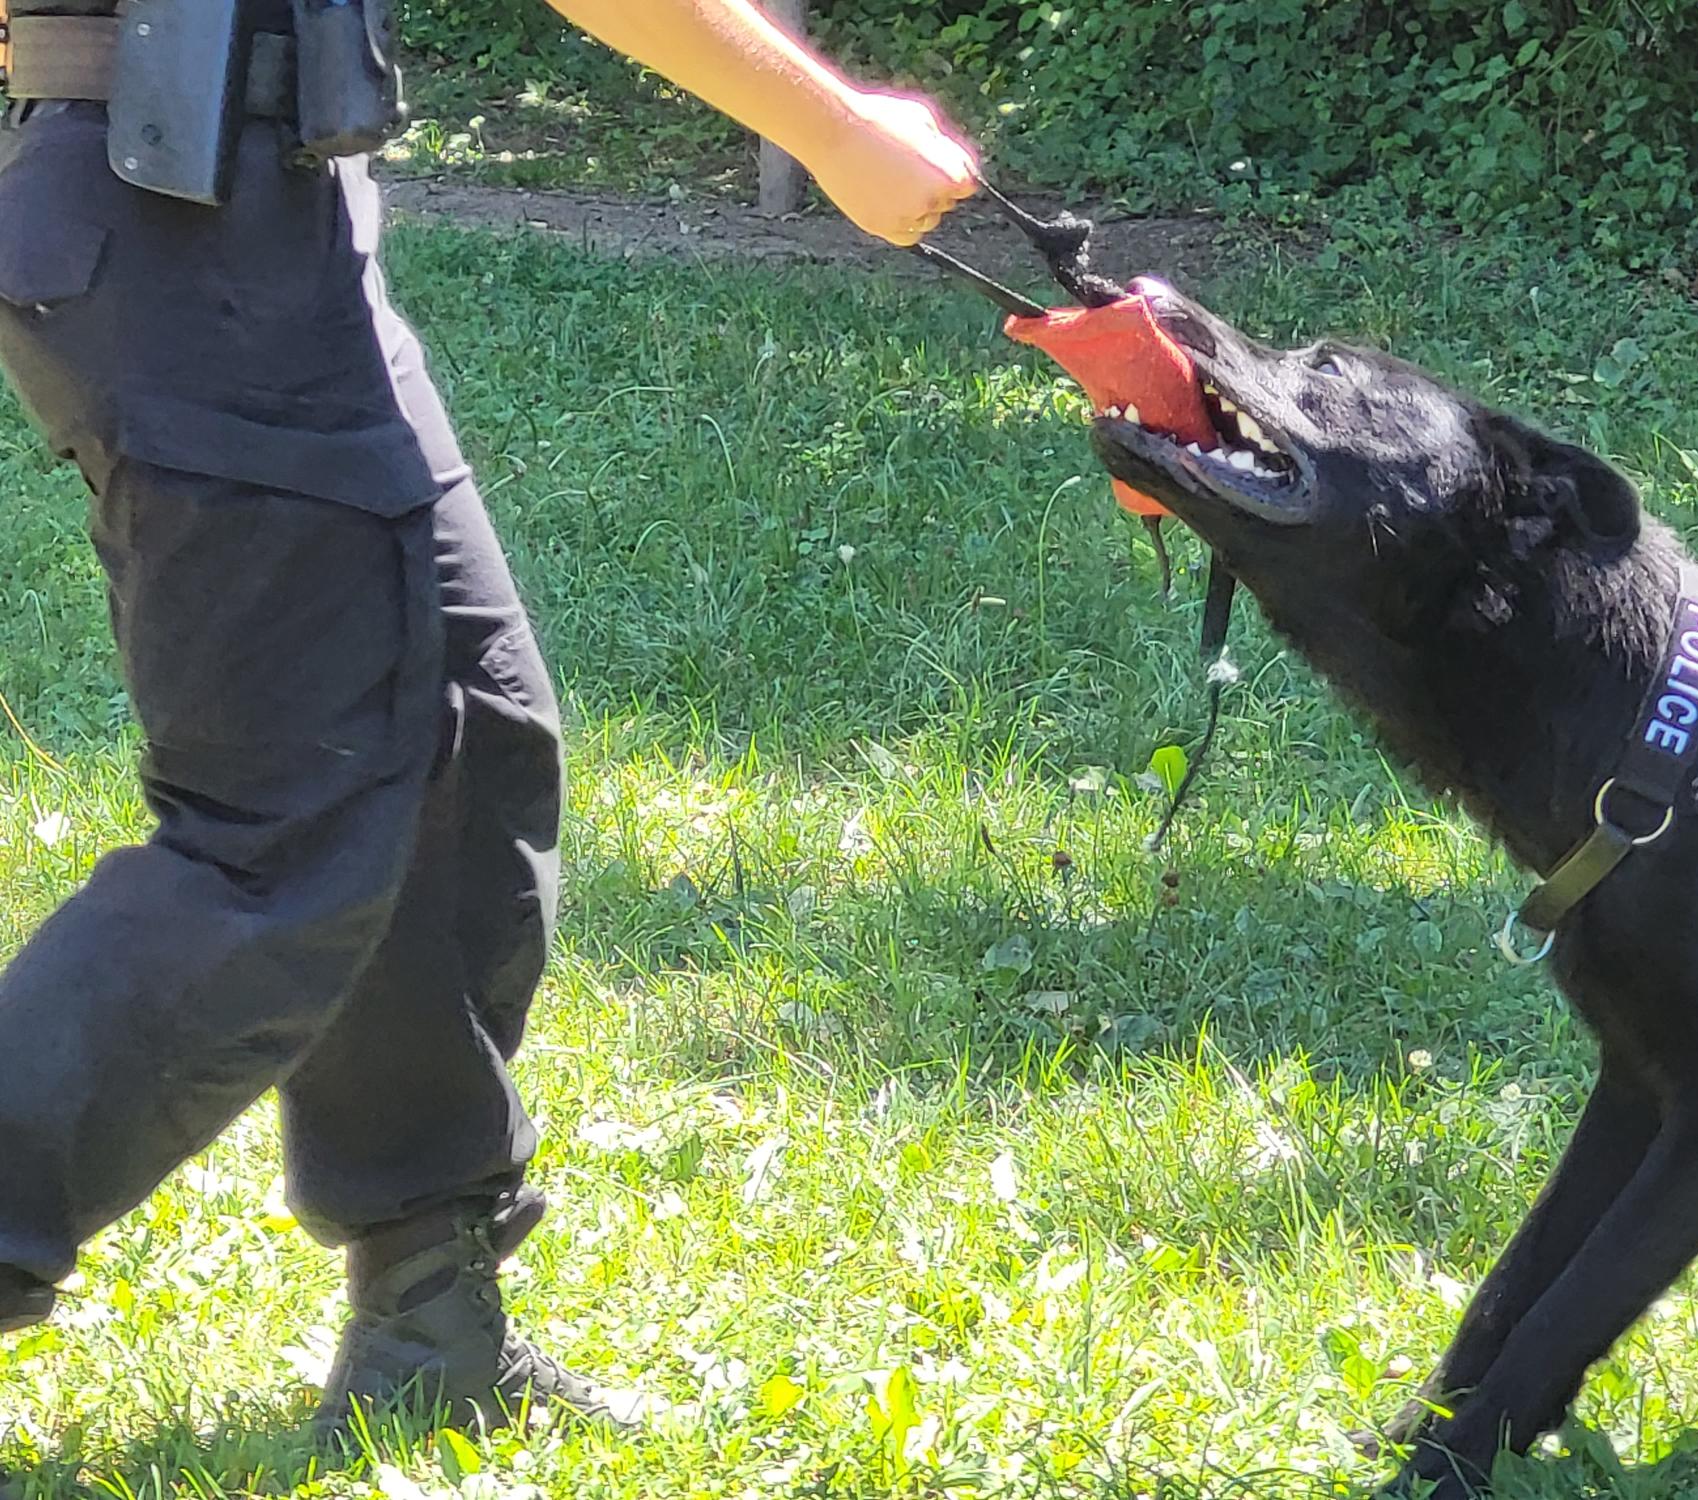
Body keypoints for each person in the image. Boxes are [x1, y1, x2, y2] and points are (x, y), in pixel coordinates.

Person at [0, 0, 975, 1433]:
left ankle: (431, 1324)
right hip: (178, 217)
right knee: (280, 839)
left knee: (464, 737)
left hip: (272, 208)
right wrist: (831, 125)